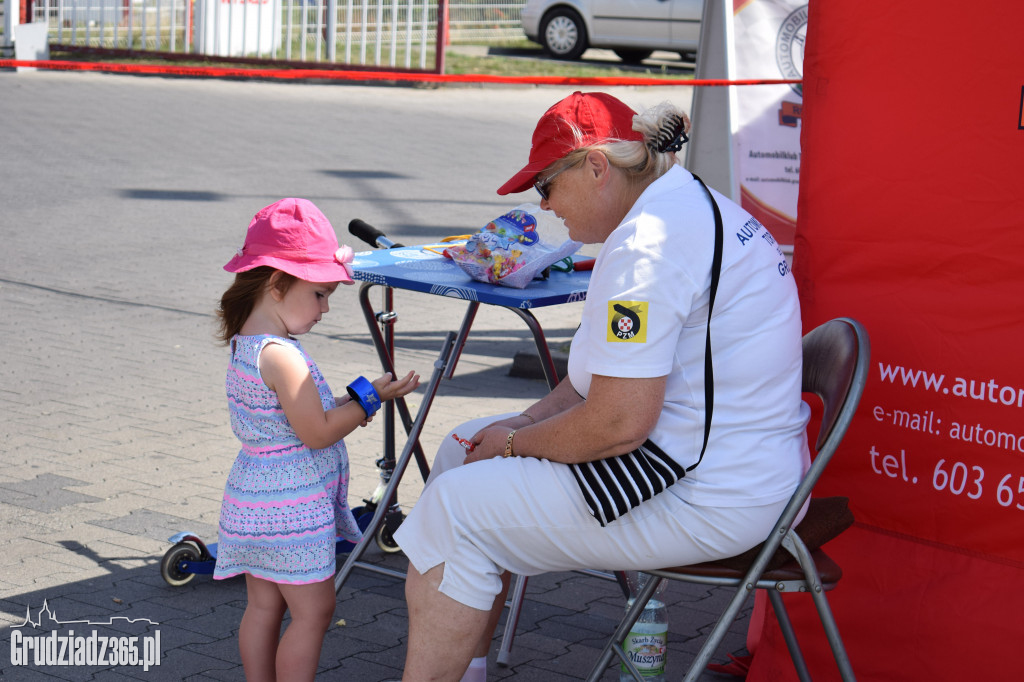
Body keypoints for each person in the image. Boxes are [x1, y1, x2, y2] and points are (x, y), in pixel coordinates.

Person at [394, 92, 812, 682]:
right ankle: (467, 668)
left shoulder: (649, 246)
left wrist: (515, 446)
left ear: (596, 167)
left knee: (454, 513)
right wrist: (516, 427)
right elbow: (597, 384)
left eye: (546, 185)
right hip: (734, 468)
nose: (544, 205)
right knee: (460, 447)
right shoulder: (683, 205)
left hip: (710, 492)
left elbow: (617, 424)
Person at [212, 197, 420, 682]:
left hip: (252, 499)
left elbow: (300, 416)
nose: (326, 308)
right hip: (292, 508)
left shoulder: (249, 343)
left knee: (263, 608)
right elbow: (317, 430)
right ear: (278, 283)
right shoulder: (284, 356)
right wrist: (371, 402)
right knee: (313, 614)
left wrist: (365, 395)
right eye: (320, 293)